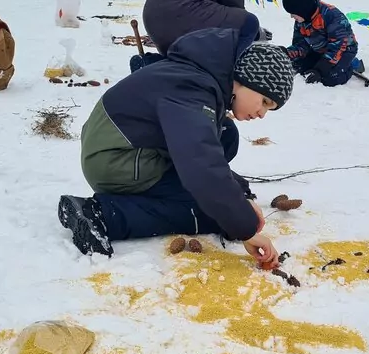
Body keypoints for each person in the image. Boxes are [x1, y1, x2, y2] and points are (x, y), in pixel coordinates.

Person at [58, 29, 294, 269]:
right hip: (116, 160)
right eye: (265, 101)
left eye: (270, 108)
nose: (263, 113)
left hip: (121, 148)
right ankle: (101, 215)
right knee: (205, 212)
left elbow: (203, 154)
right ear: (246, 78)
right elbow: (200, 165)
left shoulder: (201, 76)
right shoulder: (194, 90)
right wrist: (243, 227)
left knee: (226, 133)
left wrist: (239, 195)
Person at [282, 0, 364, 87]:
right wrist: (287, 53)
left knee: (328, 78)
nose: (291, 17)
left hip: (343, 50)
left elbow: (338, 47)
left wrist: (319, 70)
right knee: (298, 67)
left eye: (293, 14)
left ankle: (351, 65)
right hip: (319, 48)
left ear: (303, 9)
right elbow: (301, 43)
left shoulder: (332, 16)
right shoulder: (302, 19)